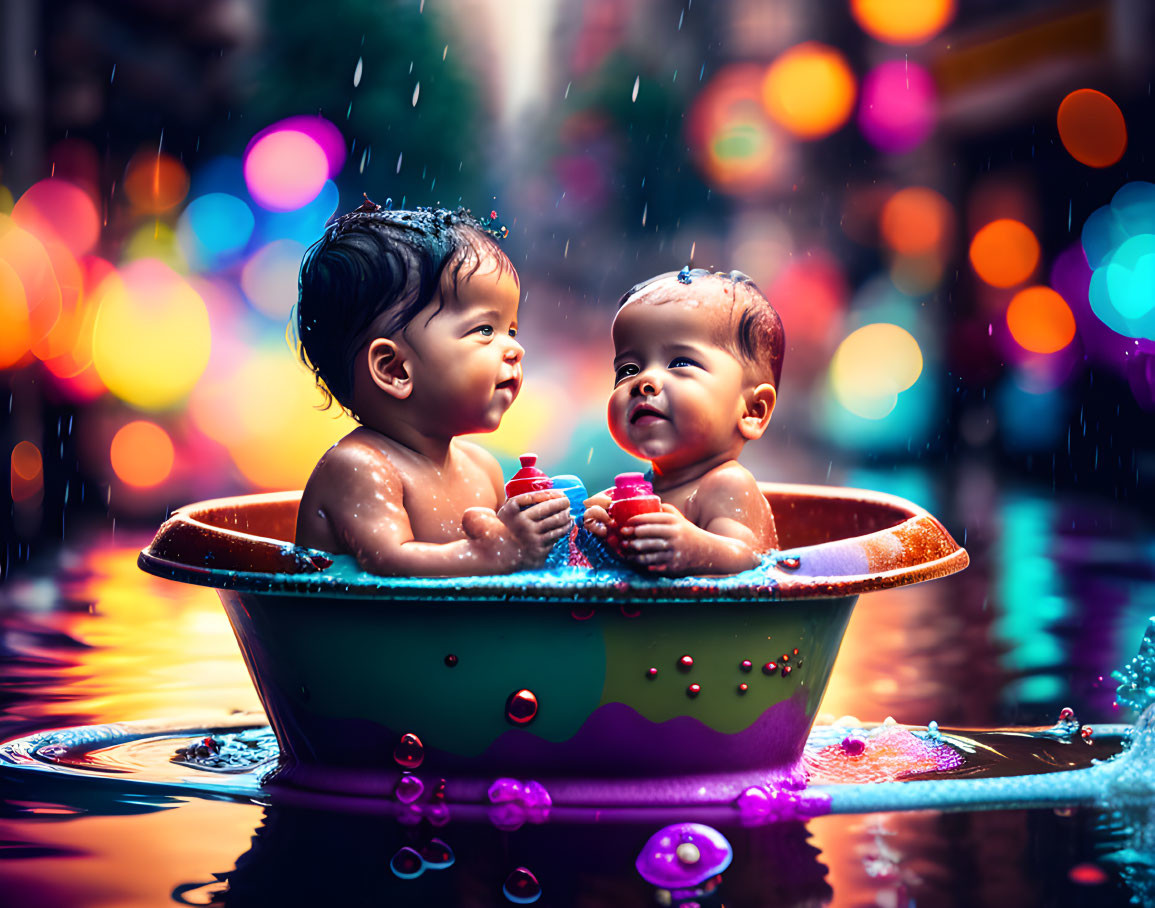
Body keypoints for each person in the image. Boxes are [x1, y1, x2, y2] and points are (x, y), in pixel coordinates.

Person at [294, 199, 571, 575]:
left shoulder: (483, 468)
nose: (515, 349)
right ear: (396, 370)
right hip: (365, 633)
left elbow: (516, 553)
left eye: (512, 330)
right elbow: (391, 562)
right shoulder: (359, 468)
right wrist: (493, 555)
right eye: (485, 330)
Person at [583, 268, 783, 575]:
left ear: (752, 411)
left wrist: (695, 548)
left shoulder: (727, 484)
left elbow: (751, 559)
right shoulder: (640, 489)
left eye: (680, 363)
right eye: (627, 369)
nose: (644, 380)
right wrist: (602, 530)